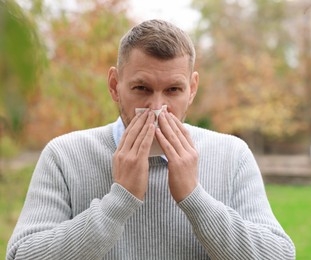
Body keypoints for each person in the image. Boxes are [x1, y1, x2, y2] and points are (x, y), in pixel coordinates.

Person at [7, 19, 295, 259]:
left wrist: (195, 199)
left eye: (173, 90)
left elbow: (280, 254)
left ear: (192, 89)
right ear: (114, 86)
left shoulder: (232, 154)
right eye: (142, 88)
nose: (157, 109)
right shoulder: (65, 155)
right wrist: (117, 202)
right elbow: (22, 254)